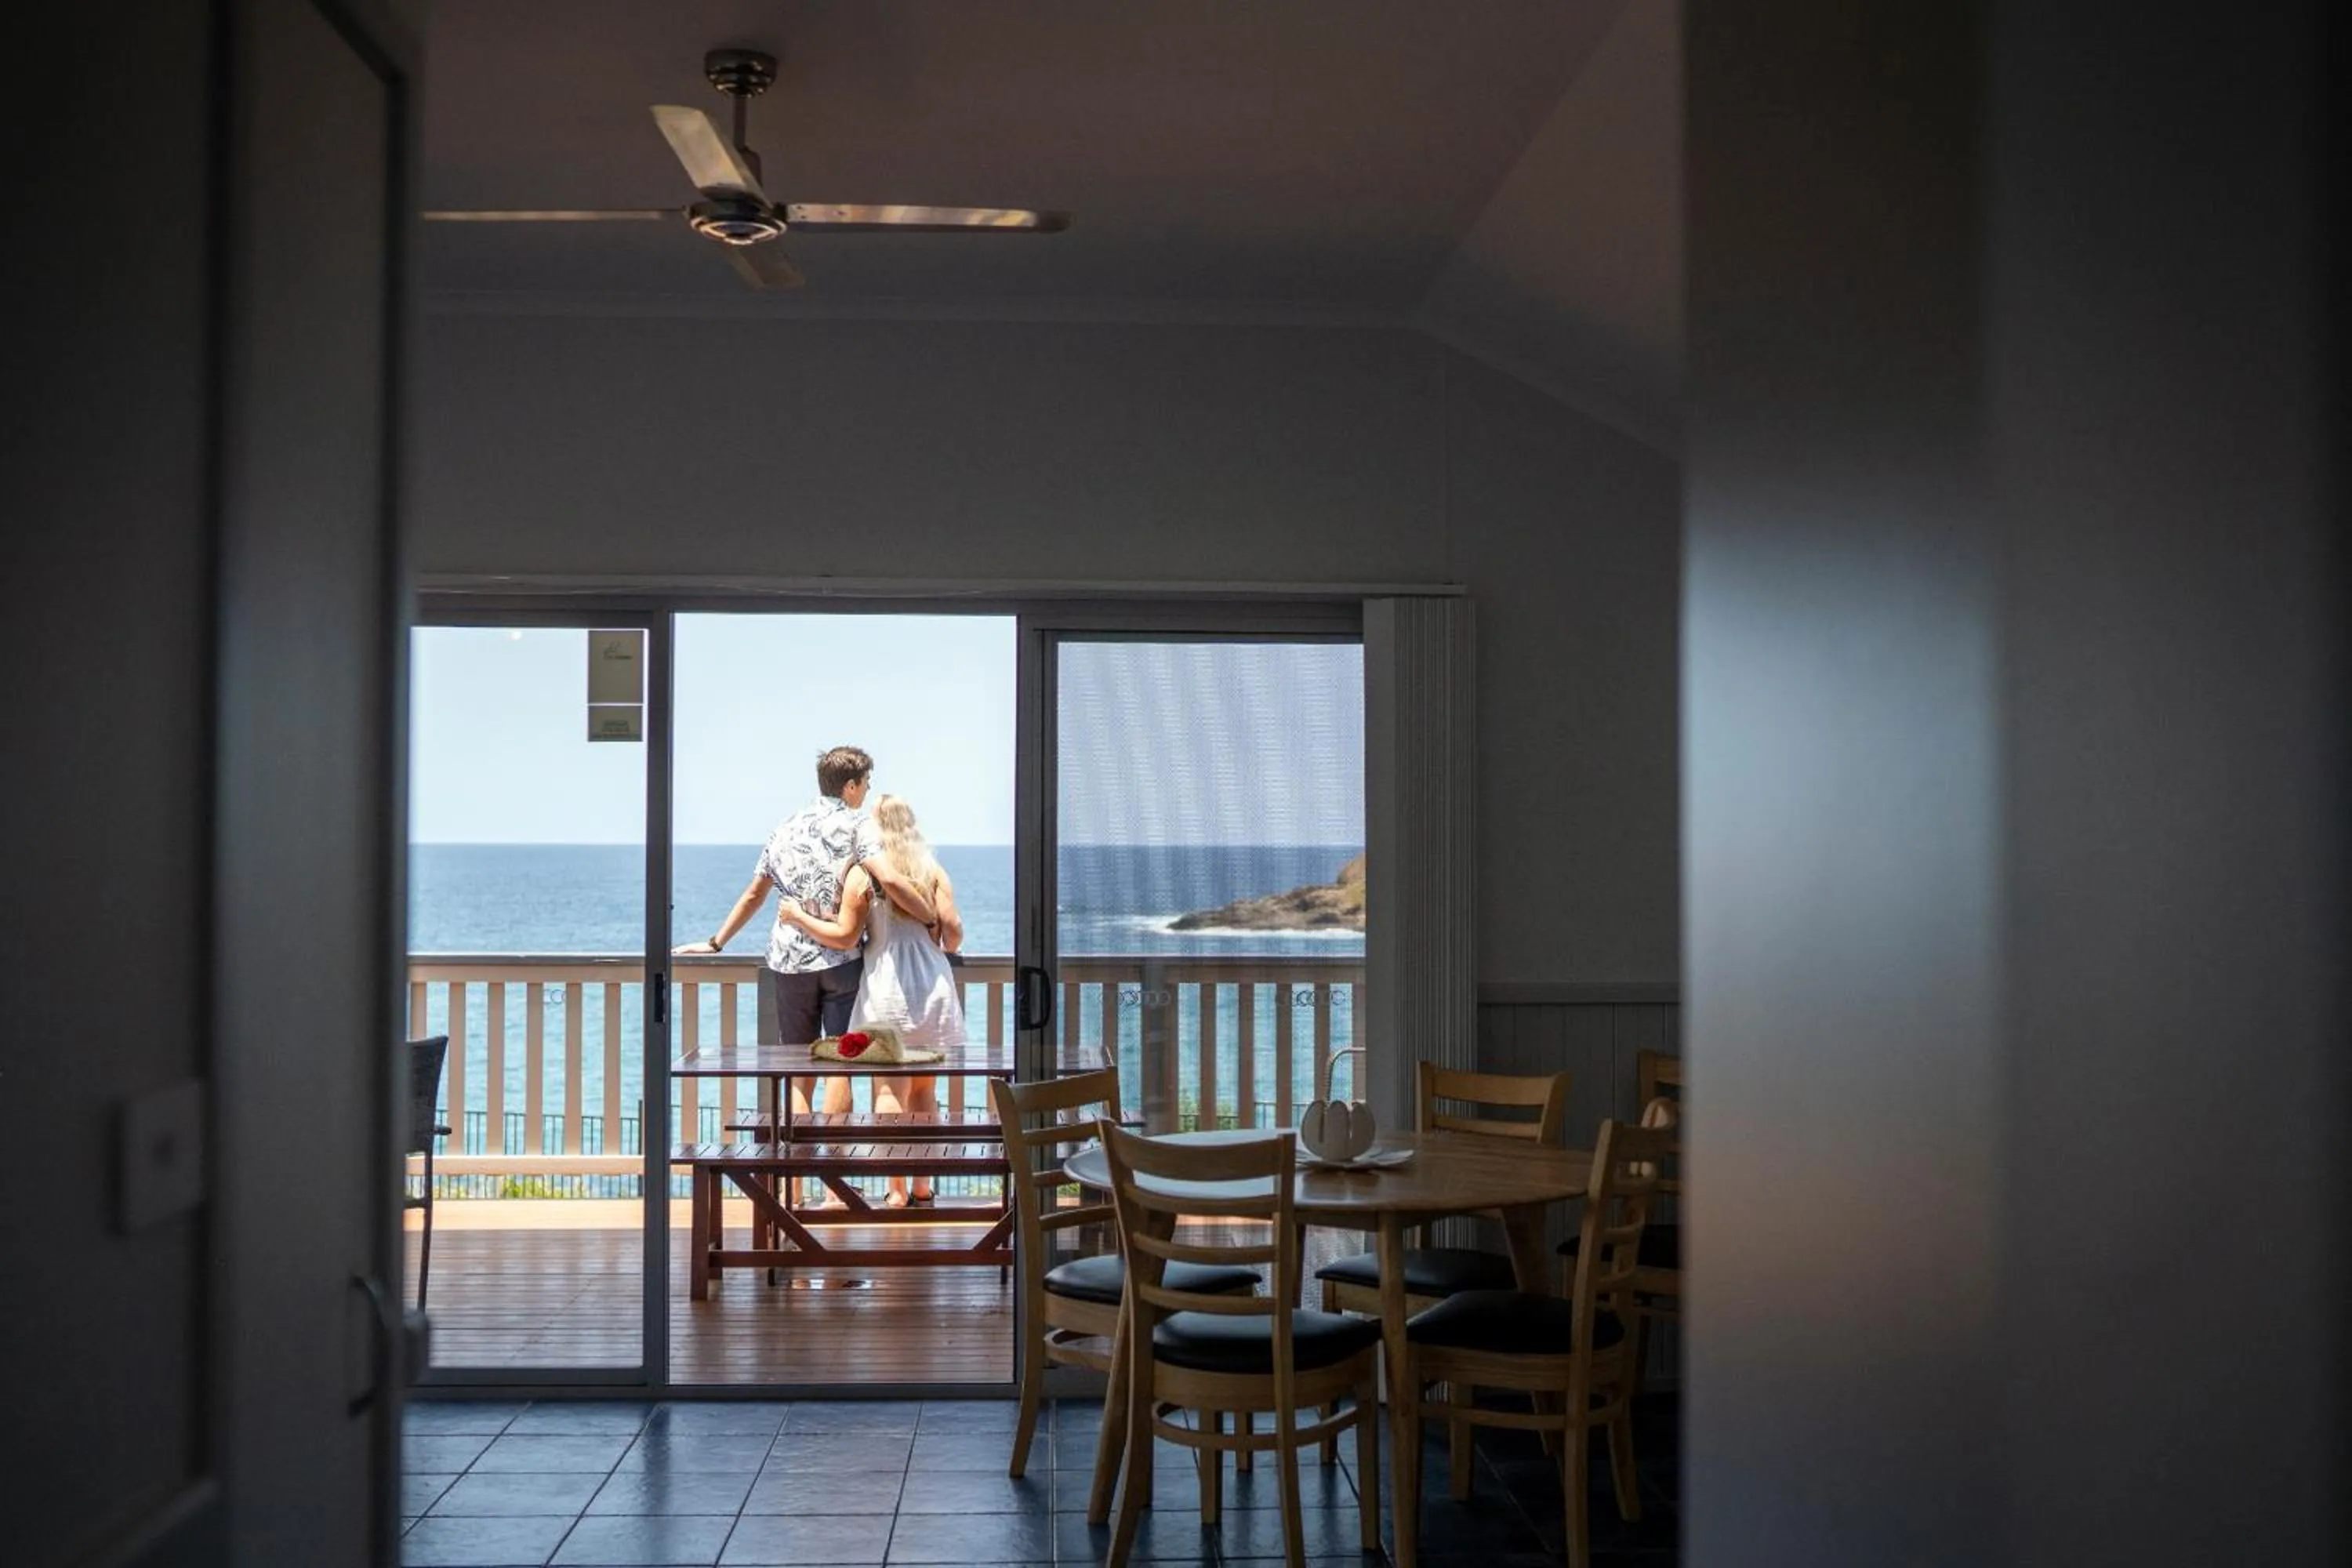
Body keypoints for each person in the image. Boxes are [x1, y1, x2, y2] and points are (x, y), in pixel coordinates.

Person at [676, 747, 936, 1159]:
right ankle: (834, 1184)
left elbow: (755, 894)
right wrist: (927, 914)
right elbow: (887, 876)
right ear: (850, 786)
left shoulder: (786, 827)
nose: (866, 793)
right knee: (839, 1067)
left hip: (789, 962)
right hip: (841, 961)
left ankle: (794, 1181)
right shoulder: (859, 826)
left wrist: (716, 942)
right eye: (866, 784)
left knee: (798, 1072)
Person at [776, 793, 967, 1207]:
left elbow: (845, 937)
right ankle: (922, 1186)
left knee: (889, 1088)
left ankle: (895, 1190)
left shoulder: (864, 875)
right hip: (933, 989)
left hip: (887, 989)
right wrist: (938, 940)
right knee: (924, 1091)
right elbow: (953, 932)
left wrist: (798, 917)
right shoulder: (932, 871)